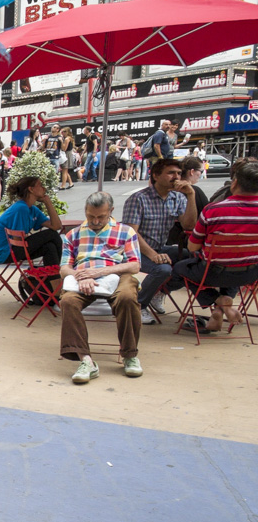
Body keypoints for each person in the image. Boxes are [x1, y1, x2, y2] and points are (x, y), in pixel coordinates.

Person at [57, 192, 143, 383]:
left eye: (101, 217)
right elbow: (64, 268)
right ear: (85, 211)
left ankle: (130, 354)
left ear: (111, 211)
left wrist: (100, 272)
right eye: (91, 216)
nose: (95, 221)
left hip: (117, 274)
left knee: (127, 298)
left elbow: (134, 266)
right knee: (68, 301)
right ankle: (85, 360)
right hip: (82, 277)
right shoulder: (73, 234)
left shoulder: (125, 231)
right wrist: (80, 276)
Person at [172, 160, 258, 331]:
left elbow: (193, 247)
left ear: (234, 183)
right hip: (251, 274)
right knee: (236, 264)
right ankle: (221, 307)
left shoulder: (213, 210)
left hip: (212, 272)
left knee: (179, 268)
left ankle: (219, 302)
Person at [121, 157, 197, 323]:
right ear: (156, 175)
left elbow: (189, 225)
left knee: (194, 260)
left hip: (160, 247)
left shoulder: (177, 197)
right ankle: (138, 305)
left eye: (179, 173)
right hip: (133, 251)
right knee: (163, 269)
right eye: (171, 173)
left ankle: (160, 292)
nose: (176, 177)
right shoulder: (138, 199)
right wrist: (153, 255)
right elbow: (131, 234)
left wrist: (191, 195)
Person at [0, 176, 63, 270]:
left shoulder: (32, 209)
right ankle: (57, 271)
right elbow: (17, 239)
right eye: (40, 185)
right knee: (52, 234)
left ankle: (52, 277)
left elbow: (56, 226)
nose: (44, 188)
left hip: (10, 249)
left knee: (50, 247)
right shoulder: (21, 208)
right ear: (31, 189)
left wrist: (47, 202)